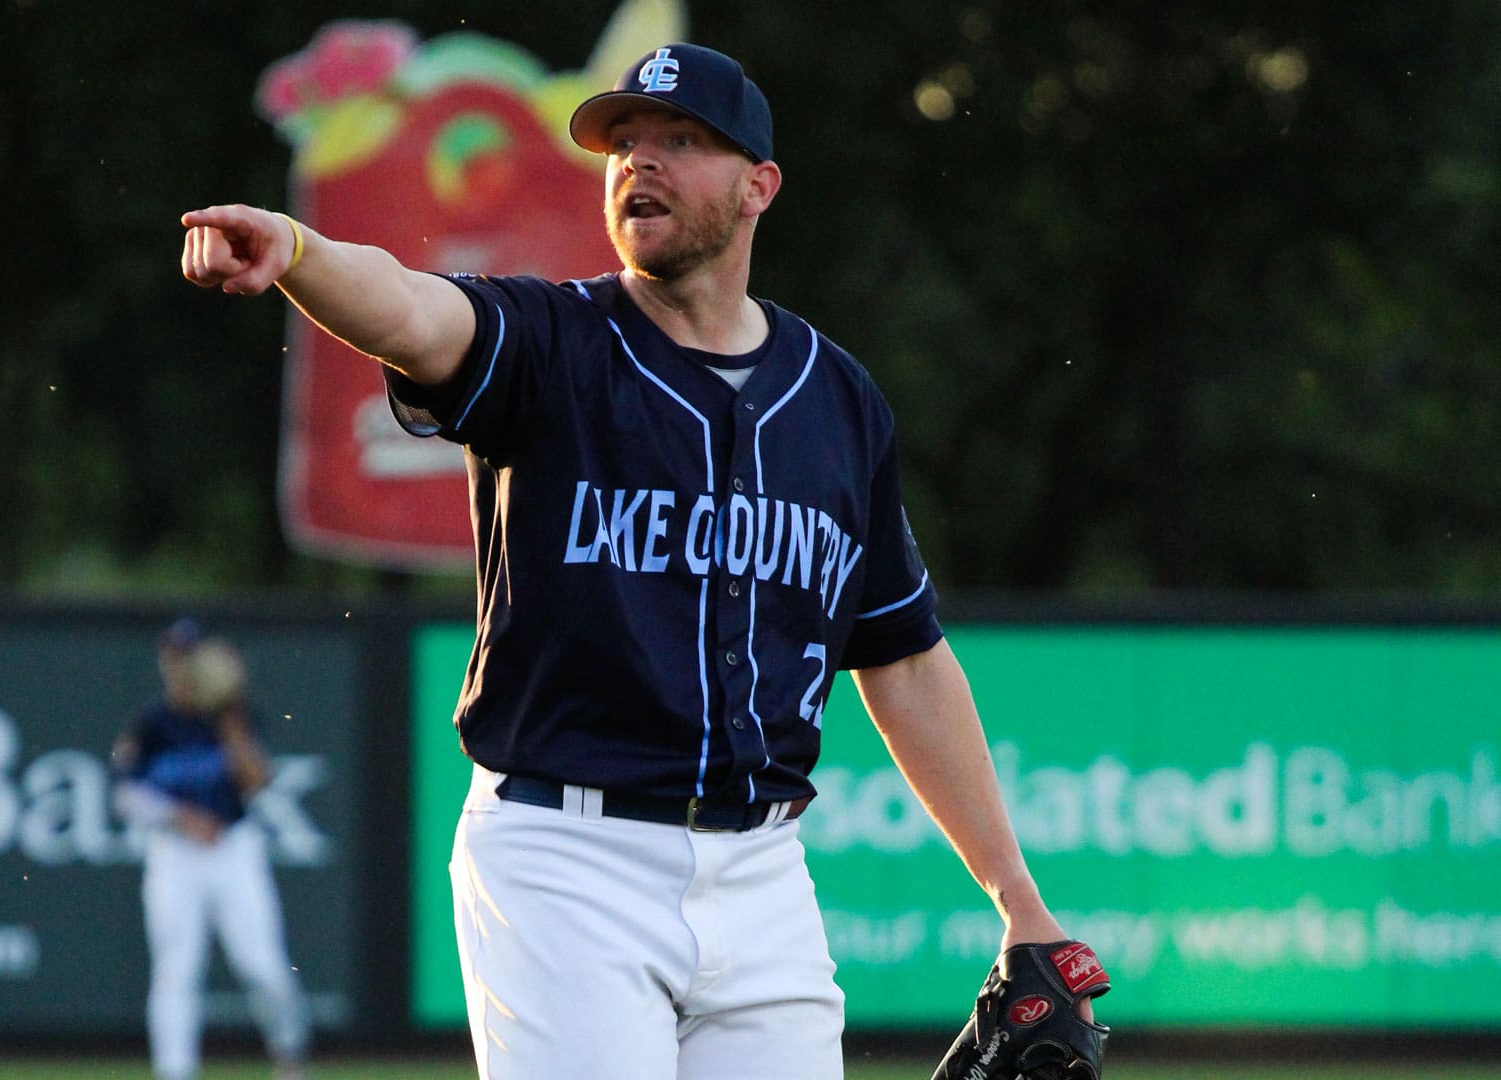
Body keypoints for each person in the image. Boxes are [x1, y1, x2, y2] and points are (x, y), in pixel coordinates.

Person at [181, 42, 1099, 1080]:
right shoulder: (549, 342)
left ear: (760, 186)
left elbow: (903, 655)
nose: (638, 162)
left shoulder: (836, 400)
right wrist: (299, 250)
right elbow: (409, 308)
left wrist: (1019, 902)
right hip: (565, 860)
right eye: (624, 143)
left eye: (679, 141)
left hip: (761, 872)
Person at [111, 617, 310, 1080]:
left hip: (235, 849)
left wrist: (232, 726)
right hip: (175, 853)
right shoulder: (153, 723)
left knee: (263, 965)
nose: (179, 666)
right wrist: (179, 817)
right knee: (176, 969)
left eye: (187, 655)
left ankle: (290, 1055)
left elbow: (258, 782)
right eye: (173, 656)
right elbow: (123, 794)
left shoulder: (233, 715)